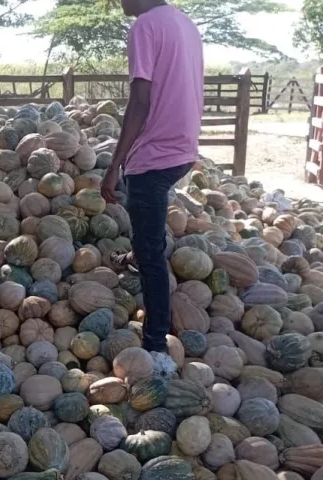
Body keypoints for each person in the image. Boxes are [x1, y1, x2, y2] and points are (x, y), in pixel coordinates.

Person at [99, 0, 204, 369]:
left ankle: (157, 344)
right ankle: (135, 255)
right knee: (146, 220)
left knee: (153, 255)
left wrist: (115, 164)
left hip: (155, 156)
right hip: (183, 150)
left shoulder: (144, 26)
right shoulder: (184, 22)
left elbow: (140, 102)